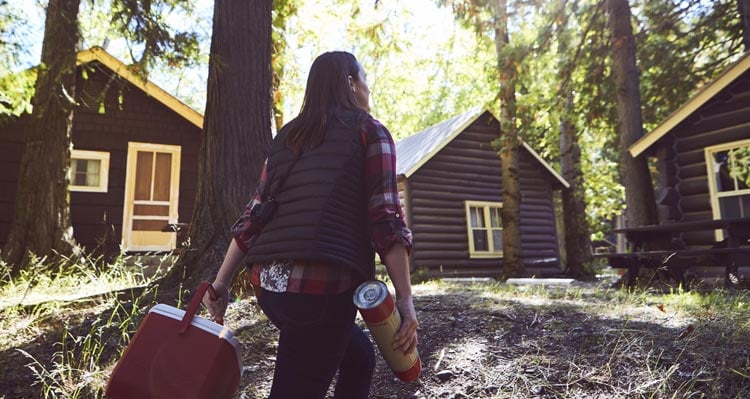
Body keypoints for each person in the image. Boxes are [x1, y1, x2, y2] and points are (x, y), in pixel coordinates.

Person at [202, 51, 418, 399]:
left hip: (270, 290)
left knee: (358, 357)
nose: (368, 89)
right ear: (351, 84)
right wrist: (405, 302)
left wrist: (222, 281)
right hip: (322, 291)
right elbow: (387, 220)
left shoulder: (287, 137)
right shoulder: (371, 132)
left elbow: (254, 215)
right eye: (365, 80)